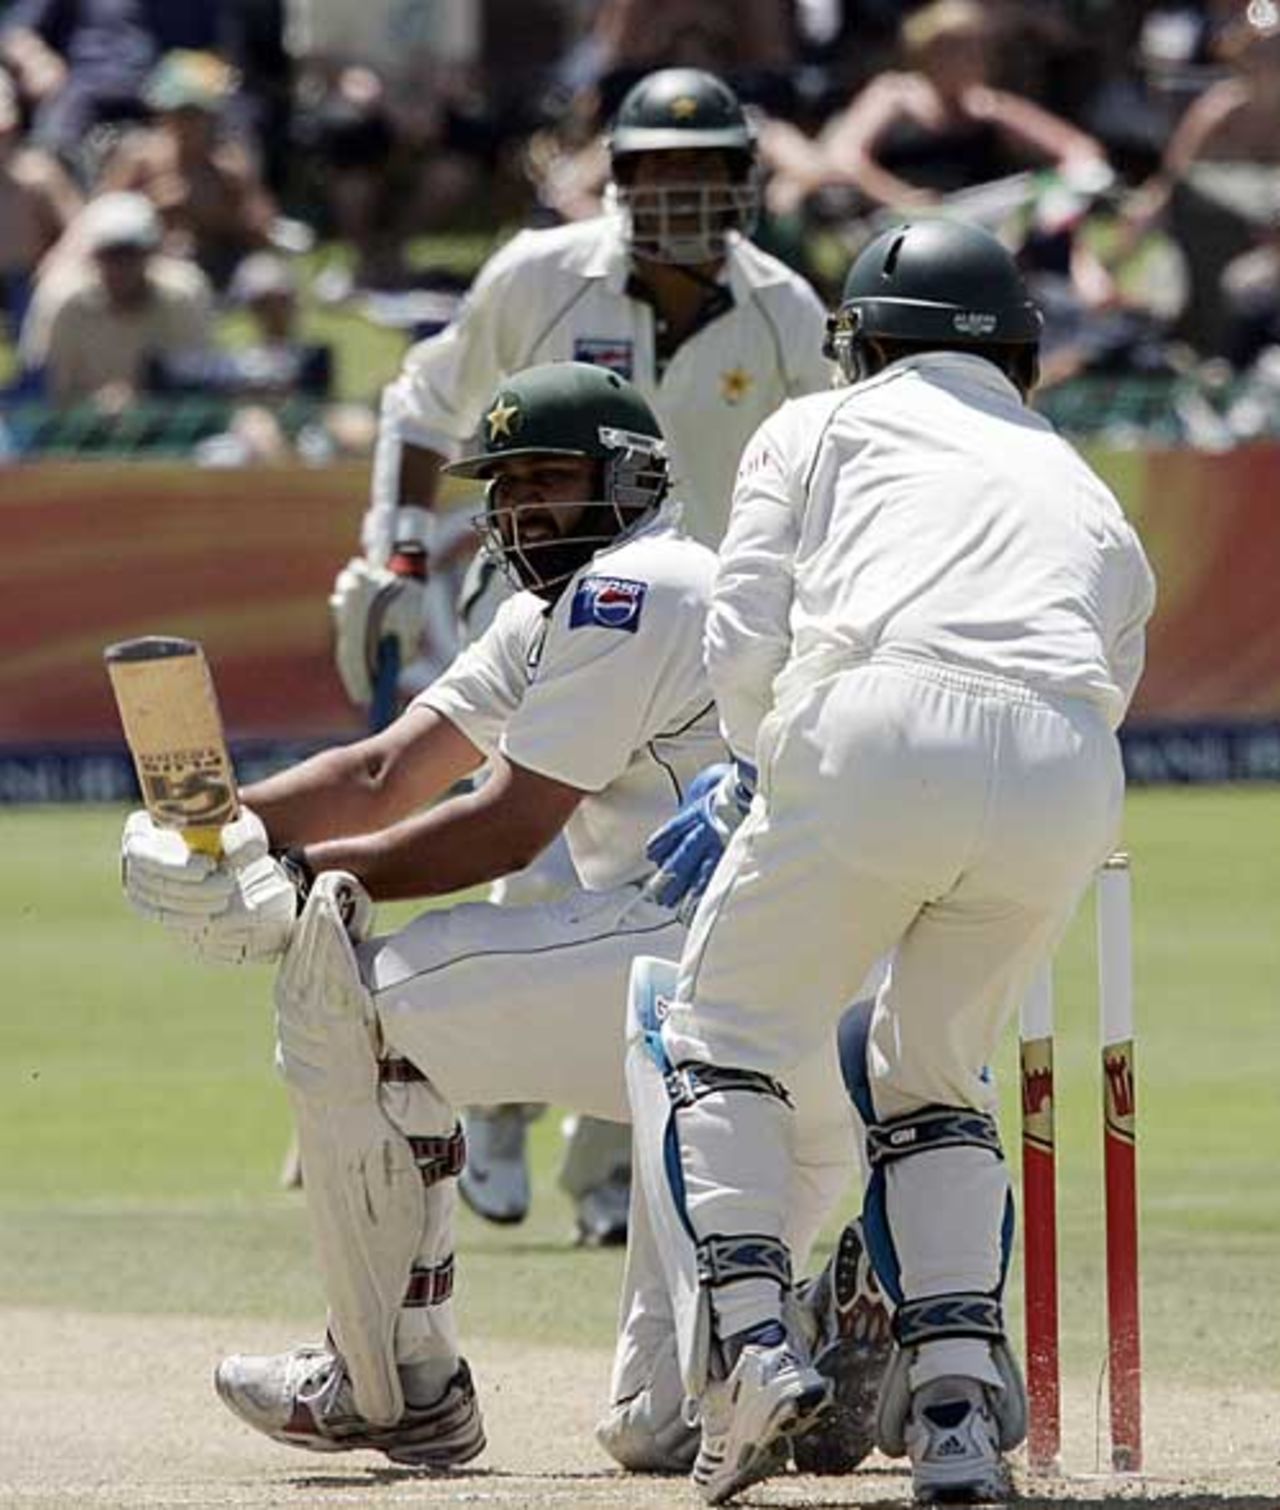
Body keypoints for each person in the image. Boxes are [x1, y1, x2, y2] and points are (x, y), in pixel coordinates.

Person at [118, 362, 887, 1477]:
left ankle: (392, 1384)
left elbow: (503, 827)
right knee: (653, 1429)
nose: (522, 507)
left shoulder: (641, 585)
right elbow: (388, 769)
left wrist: (289, 879)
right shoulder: (553, 611)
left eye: (549, 480)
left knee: (351, 996)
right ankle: (842, 1317)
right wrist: (199, 823)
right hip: (736, 1043)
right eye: (506, 485)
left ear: (626, 480)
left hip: (707, 971)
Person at [626, 219, 1156, 1504]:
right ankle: (959, 1406)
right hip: (1065, 768)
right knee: (930, 1074)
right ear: (1021, 355)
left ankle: (751, 1345)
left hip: (871, 718)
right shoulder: (1073, 474)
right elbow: (1114, 652)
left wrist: (763, 766)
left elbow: (745, 628)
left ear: (858, 341)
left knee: (722, 1032)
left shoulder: (814, 426)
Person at [329, 64, 834, 1244]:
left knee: (661, 892)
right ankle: (491, 1115)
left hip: (704, 637)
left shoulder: (786, 313)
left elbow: (831, 468)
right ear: (616, 176)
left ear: (741, 182)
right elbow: (421, 400)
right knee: (538, 853)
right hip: (546, 603)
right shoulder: (538, 276)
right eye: (656, 168)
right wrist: (395, 551)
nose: (679, 192)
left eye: (703, 168)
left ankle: (608, 1163)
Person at [758, 0, 1107, 218]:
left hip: (977, 222)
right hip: (892, 223)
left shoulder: (986, 106)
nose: (968, 61)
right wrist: (904, 199)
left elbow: (1079, 148)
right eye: (955, 49)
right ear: (926, 50)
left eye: (976, 50)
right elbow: (844, 156)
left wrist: (1053, 192)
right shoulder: (895, 94)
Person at [18, 188, 213, 407]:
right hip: (79, 429)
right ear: (94, 256)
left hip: (168, 422)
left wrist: (141, 398)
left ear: (150, 253)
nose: (121, 265)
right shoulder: (61, 300)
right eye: (111, 254)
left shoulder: (183, 294)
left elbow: (196, 377)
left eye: (130, 252)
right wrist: (95, 403)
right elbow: (49, 387)